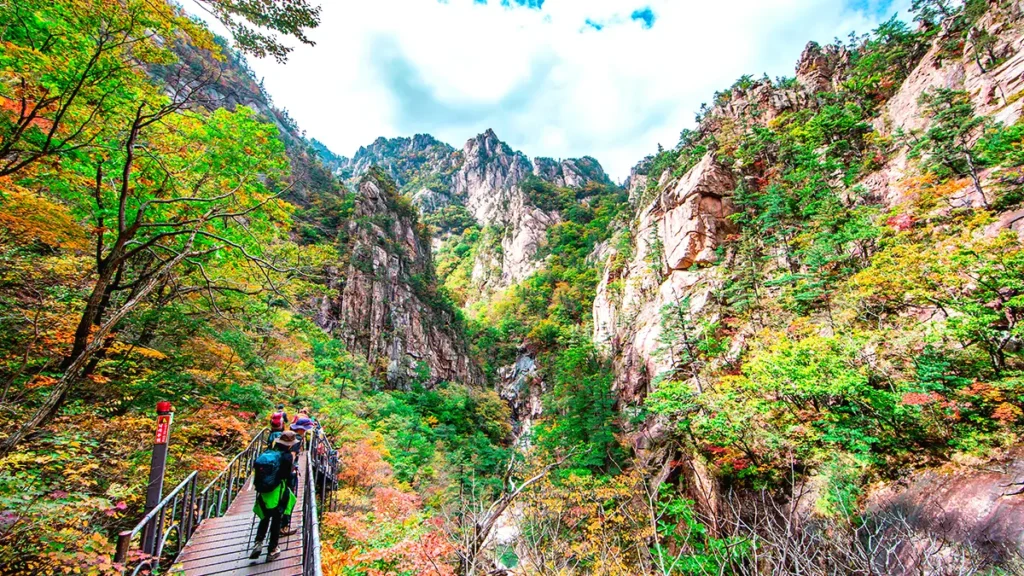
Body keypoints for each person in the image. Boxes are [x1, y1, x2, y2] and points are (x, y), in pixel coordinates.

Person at [249, 431, 298, 561]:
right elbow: (286, 476)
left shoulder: (269, 452)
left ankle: (258, 543)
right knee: (276, 519)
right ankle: (272, 549)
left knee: (264, 517)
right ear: (290, 445)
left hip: (264, 491)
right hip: (278, 491)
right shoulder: (287, 457)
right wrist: (293, 474)